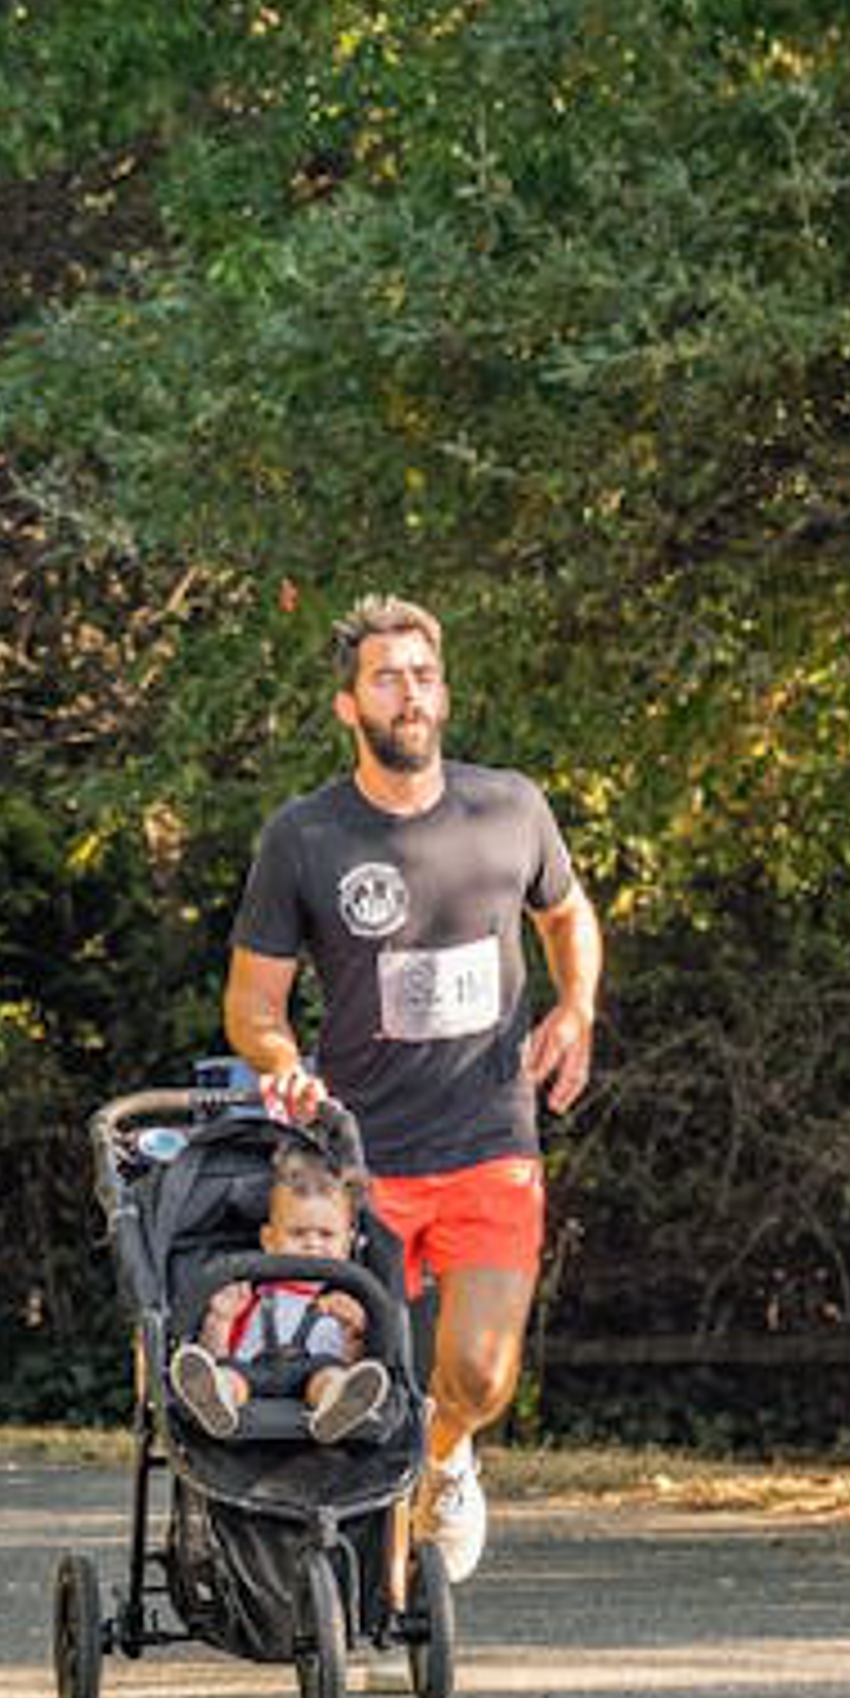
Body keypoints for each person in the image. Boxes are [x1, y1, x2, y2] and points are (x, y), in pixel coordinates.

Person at [223, 595, 599, 1585]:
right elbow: (251, 1005)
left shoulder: (509, 806)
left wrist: (575, 1011)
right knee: (371, 1377)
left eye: (423, 675)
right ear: (350, 706)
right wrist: (280, 1062)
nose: (410, 695)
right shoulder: (304, 837)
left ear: (445, 689)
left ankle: (449, 1457)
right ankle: (380, 1587)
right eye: (387, 678)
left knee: (478, 1371)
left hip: (490, 1140)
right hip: (362, 1160)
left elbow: (568, 914)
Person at [168, 1145, 398, 1444]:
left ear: (348, 1243)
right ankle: (216, 1400)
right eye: (298, 1234)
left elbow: (352, 1364)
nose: (313, 1244)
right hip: (251, 1376)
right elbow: (218, 1354)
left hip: (314, 1377)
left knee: (331, 1377)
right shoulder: (248, 1293)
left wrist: (354, 1335)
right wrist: (220, 1320)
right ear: (269, 1240)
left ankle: (338, 1409)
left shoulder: (349, 1299)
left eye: (326, 1235)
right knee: (228, 1375)